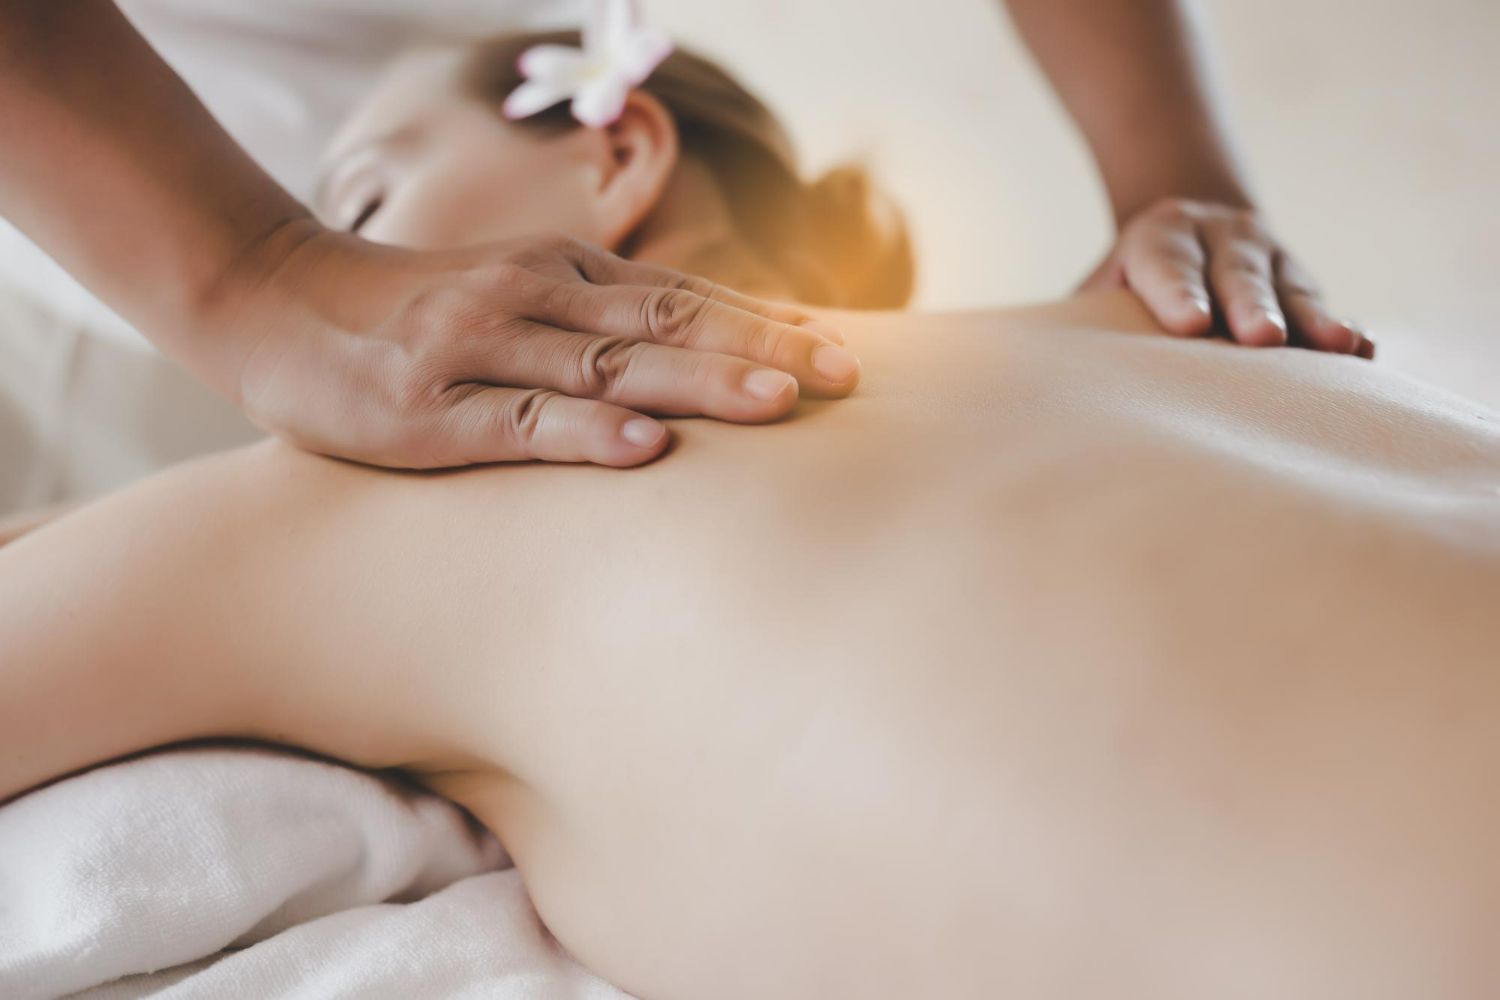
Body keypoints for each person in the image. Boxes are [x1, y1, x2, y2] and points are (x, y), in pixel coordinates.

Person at [2, 32, 1496, 998]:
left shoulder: (414, 489)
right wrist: (1176, 184)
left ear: (618, 149)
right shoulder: (1155, 322)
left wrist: (266, 272)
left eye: (364, 205)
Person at [0, 0, 1370, 475]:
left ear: (619, 154)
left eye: (361, 205)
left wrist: (1174, 192)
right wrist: (260, 281)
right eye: (348, 212)